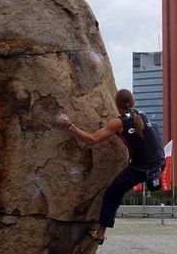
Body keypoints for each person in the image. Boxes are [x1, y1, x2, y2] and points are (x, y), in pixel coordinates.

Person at [57, 89, 164, 245]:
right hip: (158, 163)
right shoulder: (141, 114)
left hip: (141, 168)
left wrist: (69, 126)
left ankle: (100, 234)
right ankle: (153, 177)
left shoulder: (118, 123)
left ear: (116, 104)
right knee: (121, 187)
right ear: (132, 103)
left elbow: (92, 139)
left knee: (112, 193)